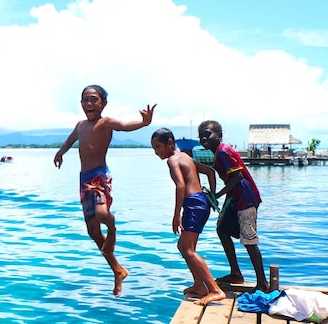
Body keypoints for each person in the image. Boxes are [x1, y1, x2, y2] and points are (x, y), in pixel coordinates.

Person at [54, 85, 156, 297]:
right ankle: (118, 270)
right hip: (84, 179)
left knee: (102, 214)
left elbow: (126, 126)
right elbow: (71, 139)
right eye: (85, 100)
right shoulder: (81, 125)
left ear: (103, 103)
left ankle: (112, 228)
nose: (89, 104)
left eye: (94, 99)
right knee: (92, 230)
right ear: (81, 103)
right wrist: (60, 152)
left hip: (100, 176)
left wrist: (144, 122)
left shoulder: (105, 123)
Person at [151, 128, 225, 305]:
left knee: (188, 250)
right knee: (183, 246)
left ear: (170, 143)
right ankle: (199, 285)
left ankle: (215, 290)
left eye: (158, 147)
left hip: (193, 204)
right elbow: (210, 172)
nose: (156, 152)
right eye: (153, 148)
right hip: (200, 202)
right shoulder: (186, 156)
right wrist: (211, 196)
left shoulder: (172, 160)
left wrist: (176, 215)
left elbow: (180, 186)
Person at [198, 120, 269, 291]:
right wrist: (223, 207)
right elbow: (232, 181)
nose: (203, 138)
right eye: (200, 136)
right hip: (236, 198)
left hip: (246, 199)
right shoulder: (218, 154)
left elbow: (237, 177)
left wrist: (217, 195)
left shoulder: (223, 151)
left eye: (207, 134)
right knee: (222, 229)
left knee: (249, 239)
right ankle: (236, 274)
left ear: (219, 136)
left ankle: (262, 283)